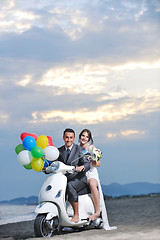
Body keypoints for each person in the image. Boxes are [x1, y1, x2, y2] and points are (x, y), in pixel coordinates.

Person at [79, 129, 117, 230]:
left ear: (89, 139)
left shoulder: (92, 148)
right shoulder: (77, 148)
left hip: (91, 173)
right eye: (83, 135)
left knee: (92, 185)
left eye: (86, 137)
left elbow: (98, 164)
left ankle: (97, 212)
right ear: (80, 136)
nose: (84, 138)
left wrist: (93, 161)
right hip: (81, 174)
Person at [58, 128, 91, 223]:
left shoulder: (81, 150)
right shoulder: (59, 151)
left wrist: (82, 167)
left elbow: (87, 163)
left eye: (71, 138)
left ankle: (76, 215)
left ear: (74, 138)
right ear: (63, 138)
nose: (69, 140)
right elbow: (53, 162)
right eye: (67, 137)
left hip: (79, 178)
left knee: (70, 185)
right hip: (64, 178)